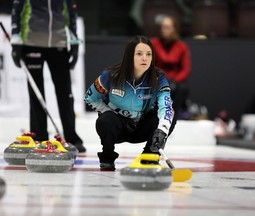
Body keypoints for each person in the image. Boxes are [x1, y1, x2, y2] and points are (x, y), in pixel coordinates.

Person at [84, 36, 176, 171]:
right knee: (106, 120)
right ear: (129, 56)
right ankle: (107, 158)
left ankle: (149, 158)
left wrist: (162, 130)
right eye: (139, 54)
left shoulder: (158, 78)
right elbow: (89, 98)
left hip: (141, 127)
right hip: (117, 128)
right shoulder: (111, 75)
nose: (145, 58)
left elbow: (166, 107)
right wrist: (108, 111)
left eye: (149, 54)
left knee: (170, 117)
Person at [10, 0, 86, 152]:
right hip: (31, 42)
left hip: (59, 43)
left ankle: (71, 137)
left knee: (65, 93)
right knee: (36, 93)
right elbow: (16, 11)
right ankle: (39, 136)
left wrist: (74, 41)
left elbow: (71, 12)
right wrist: (16, 40)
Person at [151, 15, 191, 120]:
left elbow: (185, 69)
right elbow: (149, 65)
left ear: (174, 29)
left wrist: (175, 80)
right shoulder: (153, 44)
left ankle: (174, 117)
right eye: (162, 27)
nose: (164, 30)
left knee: (183, 88)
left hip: (175, 82)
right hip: (157, 79)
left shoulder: (182, 46)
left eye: (167, 27)